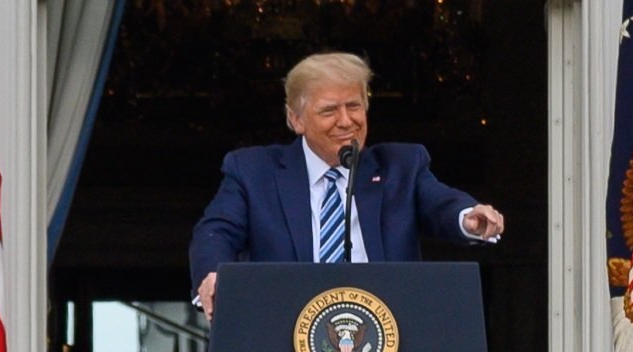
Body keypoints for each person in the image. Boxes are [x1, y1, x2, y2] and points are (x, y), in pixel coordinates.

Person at [185, 52, 505, 318]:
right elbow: (216, 231)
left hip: (388, 343)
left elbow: (440, 202)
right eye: (329, 110)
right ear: (295, 119)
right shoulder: (253, 172)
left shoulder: (401, 165)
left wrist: (467, 217)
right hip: (285, 344)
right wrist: (213, 275)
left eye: (354, 106)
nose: (346, 121)